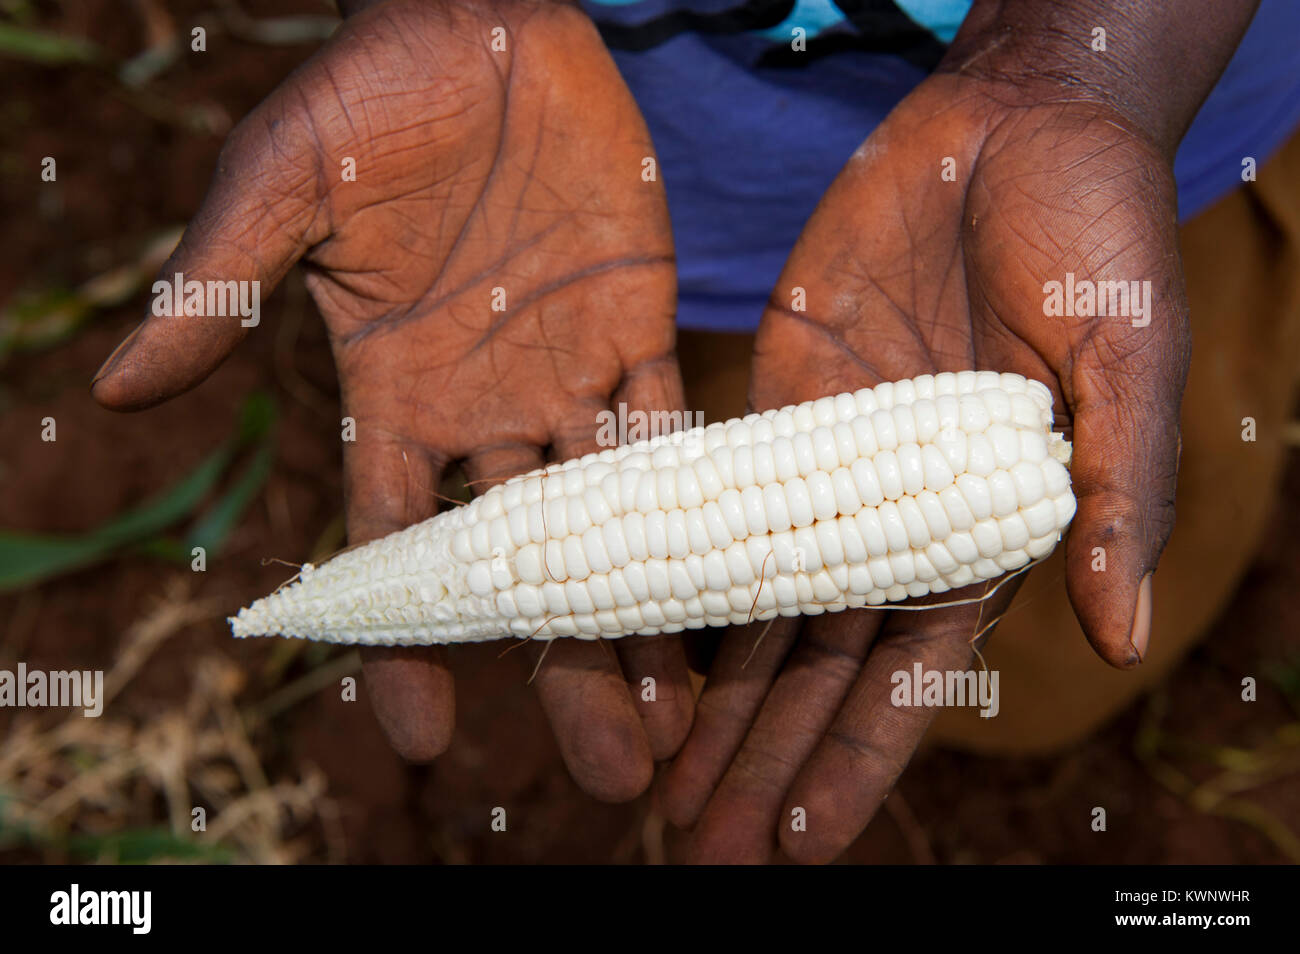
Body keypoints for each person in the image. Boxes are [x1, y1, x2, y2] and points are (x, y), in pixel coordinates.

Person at [91, 0, 1300, 862]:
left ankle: (1018, 720)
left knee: (1052, 611)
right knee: (698, 445)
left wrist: (1082, 71)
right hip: (620, 165)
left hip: (1145, 113)